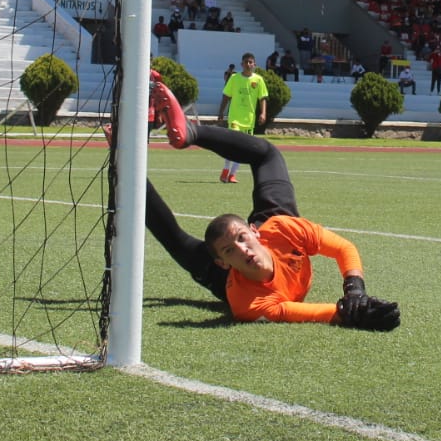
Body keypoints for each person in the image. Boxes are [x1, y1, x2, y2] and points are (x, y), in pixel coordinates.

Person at [143, 83, 400, 329]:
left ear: (255, 231)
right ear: (224, 262)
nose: (243, 250)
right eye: (230, 251)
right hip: (220, 278)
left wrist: (355, 290)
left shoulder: (281, 228)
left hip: (274, 230)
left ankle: (191, 132)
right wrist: (353, 315)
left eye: (242, 238)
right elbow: (305, 312)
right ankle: (128, 164)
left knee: (268, 154)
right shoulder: (248, 302)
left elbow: (344, 248)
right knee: (175, 239)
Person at [215, 53, 269, 185]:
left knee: (243, 148)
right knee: (233, 145)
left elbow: (262, 98)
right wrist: (221, 112)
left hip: (249, 120)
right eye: (246, 62)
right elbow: (226, 96)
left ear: (254, 64)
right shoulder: (234, 78)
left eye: (251, 62)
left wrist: (263, 113)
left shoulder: (258, 80)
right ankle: (225, 170)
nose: (248, 64)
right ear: (242, 64)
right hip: (235, 118)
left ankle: (232, 174)